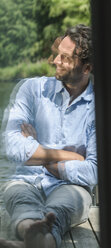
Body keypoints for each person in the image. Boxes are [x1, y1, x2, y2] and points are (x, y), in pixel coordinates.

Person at [0, 24, 96, 248]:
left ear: (86, 68)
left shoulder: (100, 106)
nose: (55, 61)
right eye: (57, 54)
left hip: (72, 187)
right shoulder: (31, 89)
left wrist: (37, 150)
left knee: (60, 209)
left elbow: (94, 171)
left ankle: (28, 240)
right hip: (24, 180)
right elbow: (13, 148)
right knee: (22, 202)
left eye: (65, 58)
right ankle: (32, 233)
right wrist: (72, 156)